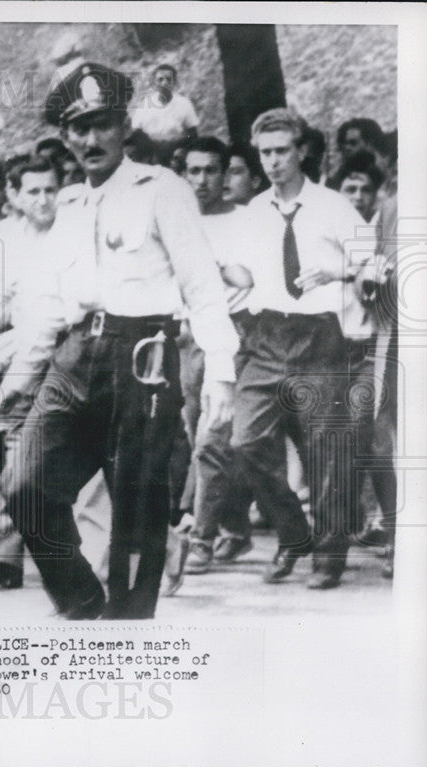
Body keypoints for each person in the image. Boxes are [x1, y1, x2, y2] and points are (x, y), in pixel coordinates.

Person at [0, 61, 237, 619]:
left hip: (142, 358)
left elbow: (202, 283)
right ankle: (80, 601)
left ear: (124, 125)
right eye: (78, 128)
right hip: (74, 362)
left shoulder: (161, 189)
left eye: (101, 124)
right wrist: (19, 380)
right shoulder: (70, 203)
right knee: (25, 487)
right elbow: (48, 304)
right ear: (66, 135)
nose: (90, 139)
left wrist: (221, 368)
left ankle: (127, 629)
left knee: (137, 515)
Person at [233, 108, 371, 589]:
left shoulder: (333, 206)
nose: (272, 162)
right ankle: (294, 535)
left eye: (281, 151)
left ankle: (329, 555)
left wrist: (338, 272)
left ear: (301, 151)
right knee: (245, 441)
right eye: (264, 152)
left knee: (326, 450)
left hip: (318, 336)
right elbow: (243, 274)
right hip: (267, 335)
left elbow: (376, 264)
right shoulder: (252, 212)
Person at [0, 155, 64, 590]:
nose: (44, 200)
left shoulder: (74, 230)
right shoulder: (3, 237)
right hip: (24, 354)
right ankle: (5, 554)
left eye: (51, 189)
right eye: (34, 191)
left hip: (72, 355)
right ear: (16, 196)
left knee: (85, 459)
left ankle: (155, 545)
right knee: (16, 452)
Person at [180, 137, 259, 574]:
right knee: (200, 439)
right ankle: (236, 529)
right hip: (185, 338)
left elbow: (248, 277)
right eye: (194, 171)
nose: (204, 180)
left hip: (236, 335)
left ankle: (200, 540)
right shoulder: (176, 221)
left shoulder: (245, 220)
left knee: (213, 439)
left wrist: (208, 267)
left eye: (213, 170)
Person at [130, 64, 199, 165]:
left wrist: (179, 147)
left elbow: (193, 134)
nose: (164, 83)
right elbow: (136, 133)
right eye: (160, 79)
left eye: (168, 79)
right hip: (151, 154)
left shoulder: (184, 103)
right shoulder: (145, 104)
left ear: (174, 82)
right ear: (154, 83)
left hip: (176, 154)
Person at [328, 150, 385, 224]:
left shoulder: (382, 229)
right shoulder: (326, 227)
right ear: (337, 193)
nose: (358, 197)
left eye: (366, 190)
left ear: (374, 195)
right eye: (351, 190)